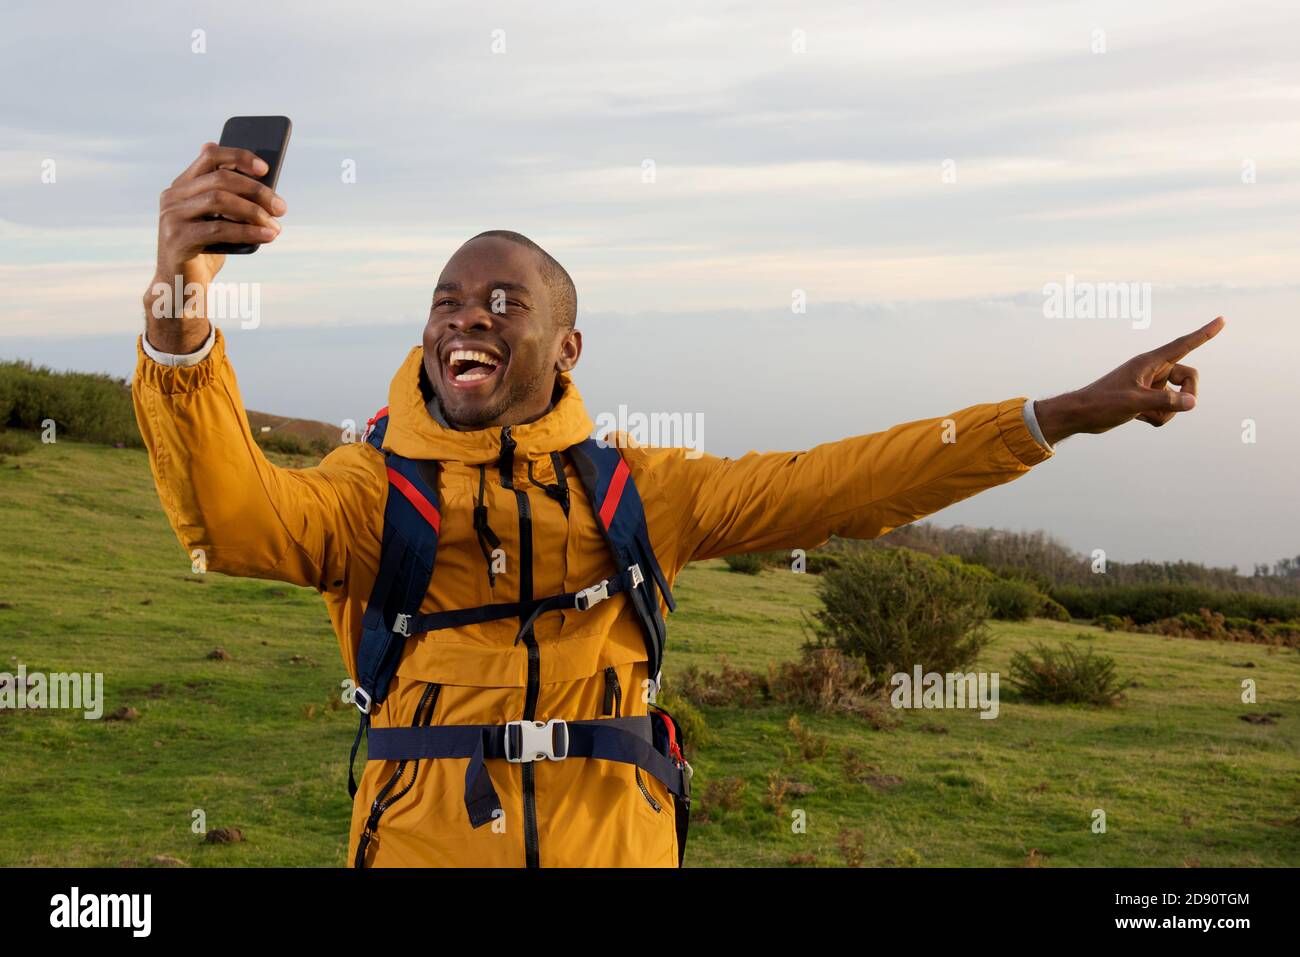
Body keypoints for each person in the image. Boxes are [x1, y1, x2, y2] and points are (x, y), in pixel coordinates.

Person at [133, 142, 1225, 867]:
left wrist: (1057, 416)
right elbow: (228, 524)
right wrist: (180, 297)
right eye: (449, 302)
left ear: (565, 348)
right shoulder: (370, 492)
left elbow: (845, 483)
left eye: (502, 301)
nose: (467, 318)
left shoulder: (641, 491)